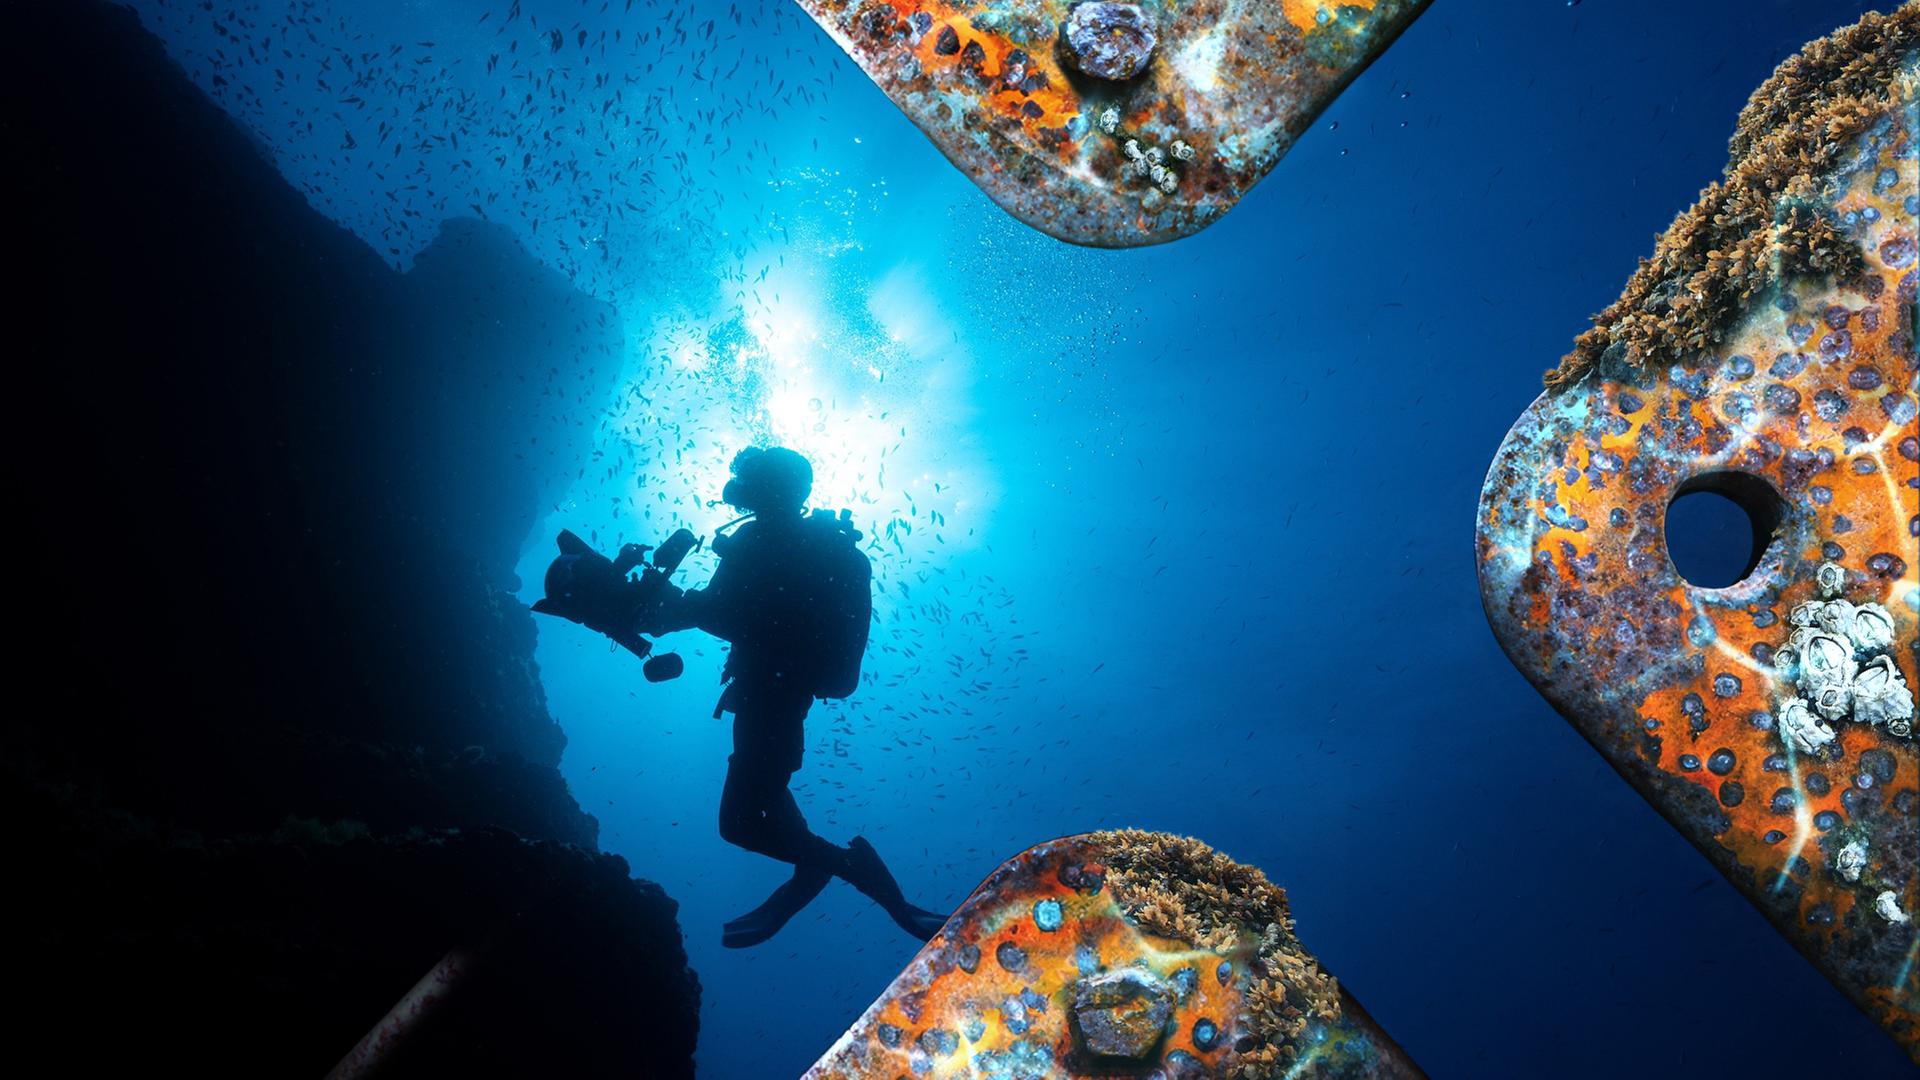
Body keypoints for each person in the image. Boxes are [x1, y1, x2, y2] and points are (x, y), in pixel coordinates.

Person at [639, 446, 945, 948]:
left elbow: (730, 616)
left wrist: (676, 608)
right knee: (763, 801)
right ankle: (814, 868)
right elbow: (724, 612)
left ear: (769, 488)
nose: (739, 489)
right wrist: (665, 611)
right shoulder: (776, 542)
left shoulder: (766, 543)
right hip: (765, 695)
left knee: (740, 825)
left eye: (750, 480)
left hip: (776, 699)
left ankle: (849, 868)